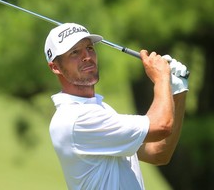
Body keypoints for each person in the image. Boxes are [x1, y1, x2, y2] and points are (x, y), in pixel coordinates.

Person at [44, 23, 188, 190]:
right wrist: (162, 78)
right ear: (55, 67)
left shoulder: (102, 110)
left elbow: (157, 153)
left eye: (89, 48)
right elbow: (161, 126)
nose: (87, 56)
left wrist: (178, 91)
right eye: (75, 52)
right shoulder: (75, 118)